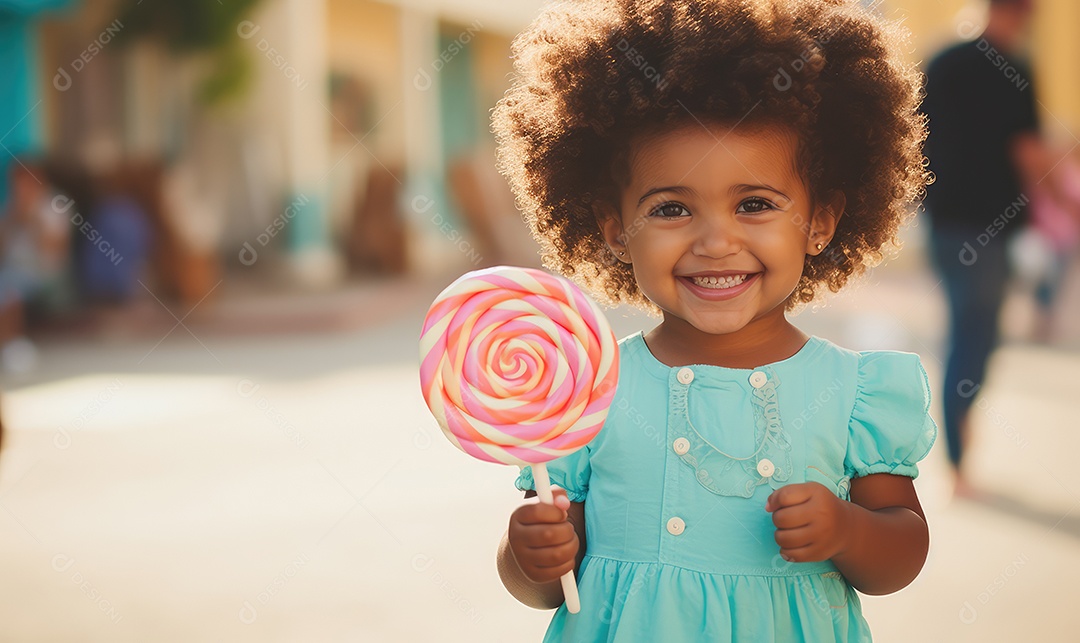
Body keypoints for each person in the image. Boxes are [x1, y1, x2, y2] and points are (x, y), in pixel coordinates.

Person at [490, 1, 936, 640]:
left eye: (754, 204)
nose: (715, 241)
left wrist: (848, 528)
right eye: (671, 209)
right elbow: (542, 586)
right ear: (616, 229)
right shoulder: (589, 392)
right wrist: (527, 555)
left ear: (820, 222)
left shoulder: (856, 394)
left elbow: (900, 556)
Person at [922, 0, 1059, 496]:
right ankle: (959, 456)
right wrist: (1068, 204)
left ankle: (959, 450)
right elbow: (1030, 154)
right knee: (977, 340)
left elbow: (911, 142)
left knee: (965, 334)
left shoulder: (940, 61)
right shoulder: (1015, 70)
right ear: (1023, 15)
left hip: (943, 224)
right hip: (988, 229)